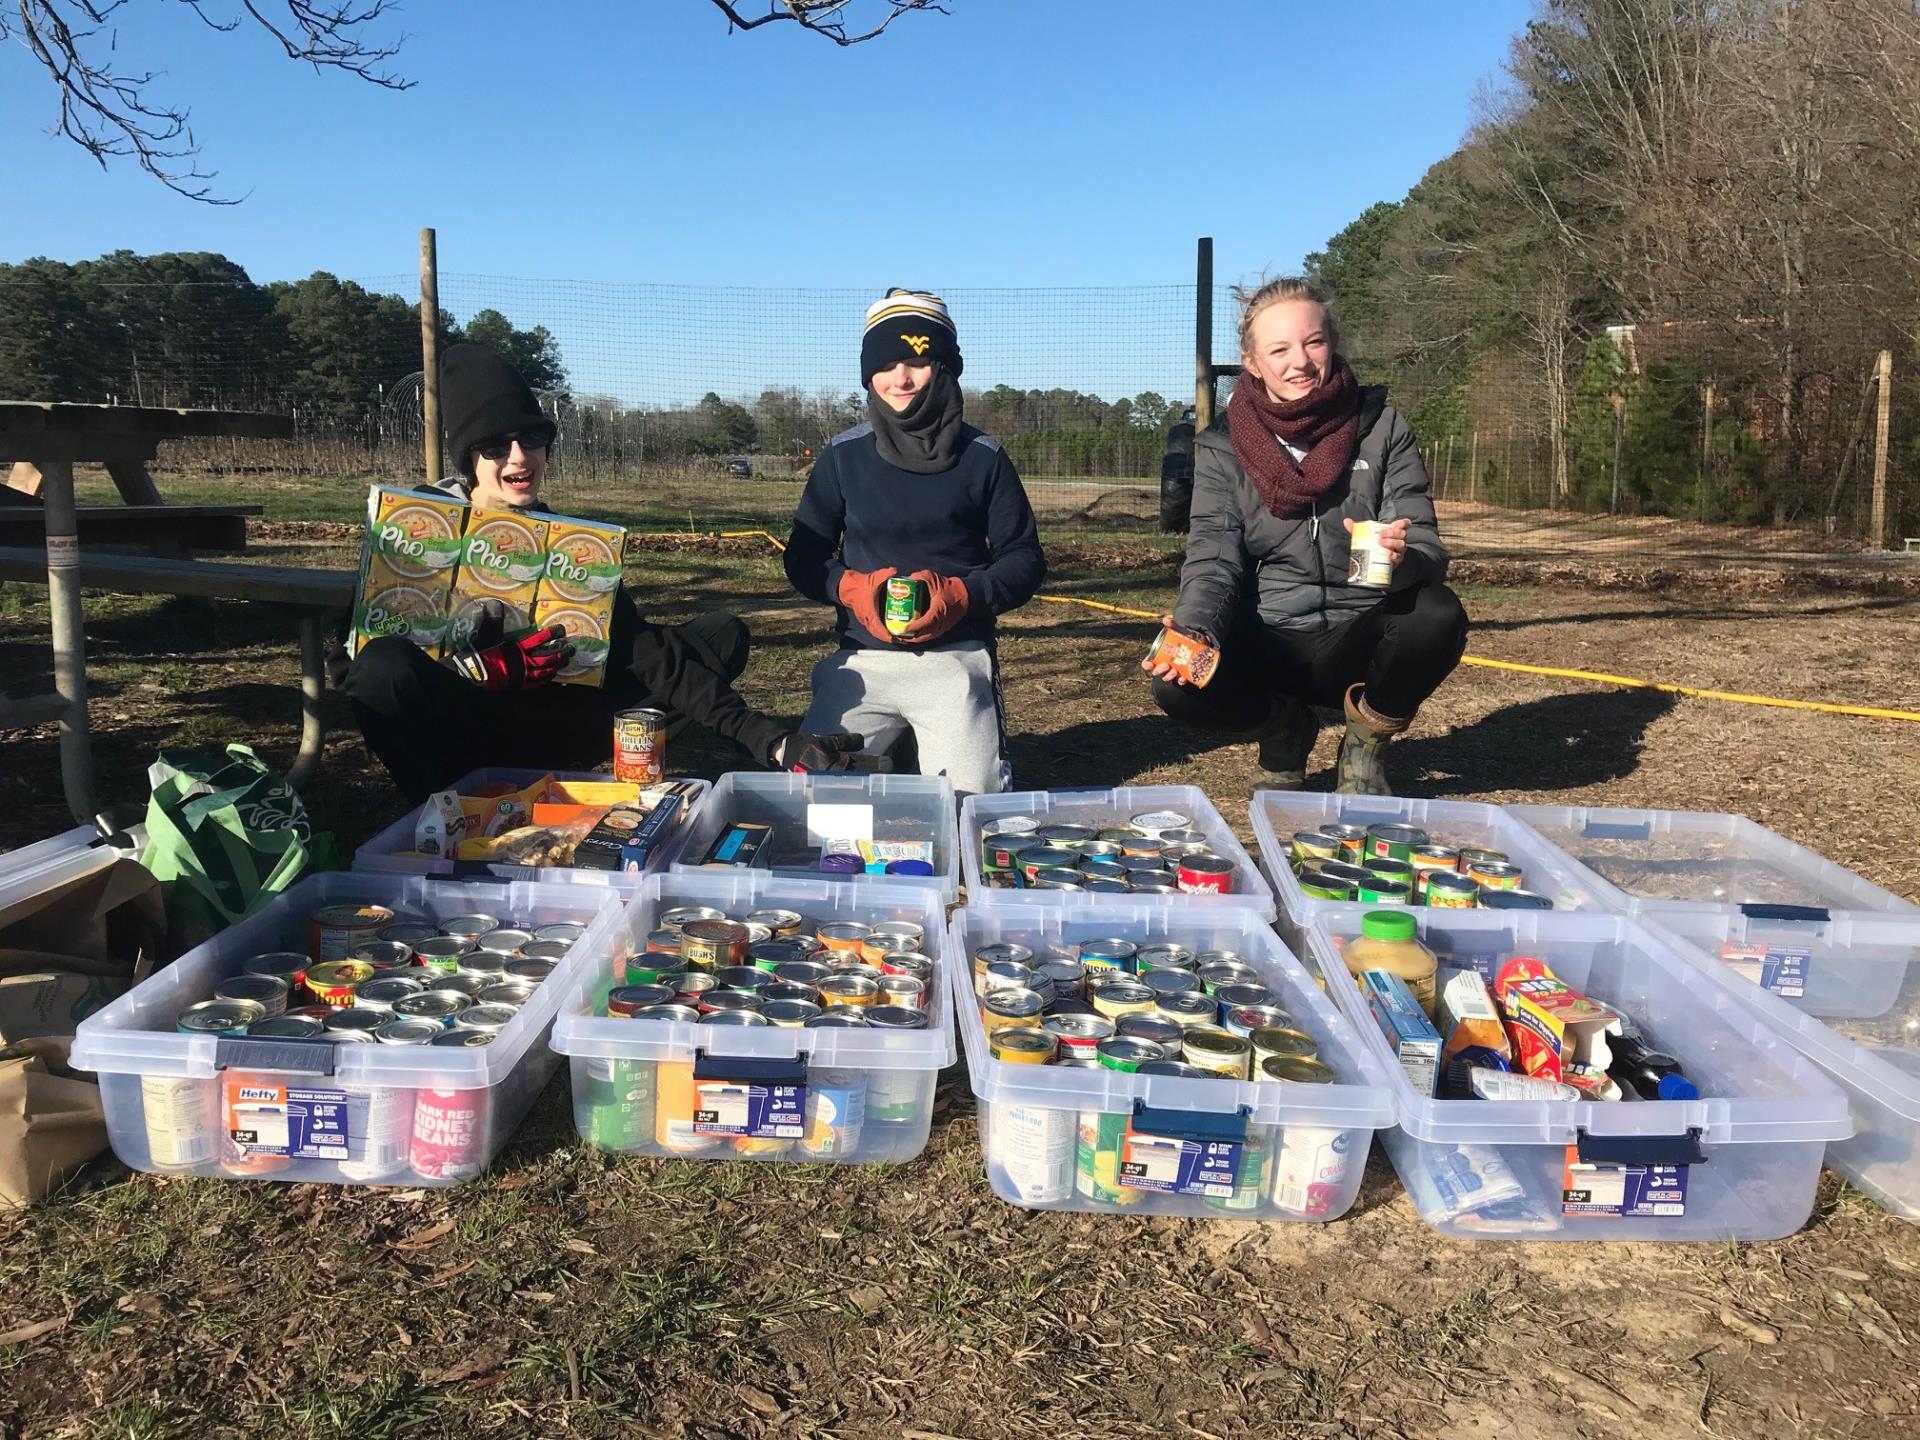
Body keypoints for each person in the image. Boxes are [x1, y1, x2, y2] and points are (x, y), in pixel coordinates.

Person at [342, 343, 875, 800]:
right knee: (384, 666)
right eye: (493, 446)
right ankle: (439, 809)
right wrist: (477, 671)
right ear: (468, 458)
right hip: (459, 731)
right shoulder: (410, 531)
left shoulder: (568, 543)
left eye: (531, 438)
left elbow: (645, 653)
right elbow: (363, 672)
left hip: (551, 722)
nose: (518, 456)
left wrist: (772, 741)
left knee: (714, 637)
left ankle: (569, 775)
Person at [1144, 277, 1467, 795]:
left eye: (1312, 342)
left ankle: (1365, 746)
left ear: (1332, 343)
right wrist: (1196, 626)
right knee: (1177, 682)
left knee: (1436, 614)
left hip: (1357, 631)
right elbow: (1213, 558)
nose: (1300, 361)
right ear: (1252, 362)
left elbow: (1427, 546)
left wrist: (1402, 559)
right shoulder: (1224, 448)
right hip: (1268, 636)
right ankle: (1284, 727)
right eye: (1280, 349)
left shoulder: (1382, 428)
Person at [782, 290, 1046, 796]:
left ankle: (931, 747)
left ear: (945, 366)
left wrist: (963, 597)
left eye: (918, 361)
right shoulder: (843, 456)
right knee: (812, 800)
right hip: (861, 662)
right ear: (868, 374)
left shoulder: (984, 457)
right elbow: (804, 556)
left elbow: (1024, 559)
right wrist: (849, 588)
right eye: (886, 364)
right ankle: (900, 746)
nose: (900, 379)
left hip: (956, 659)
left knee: (969, 807)